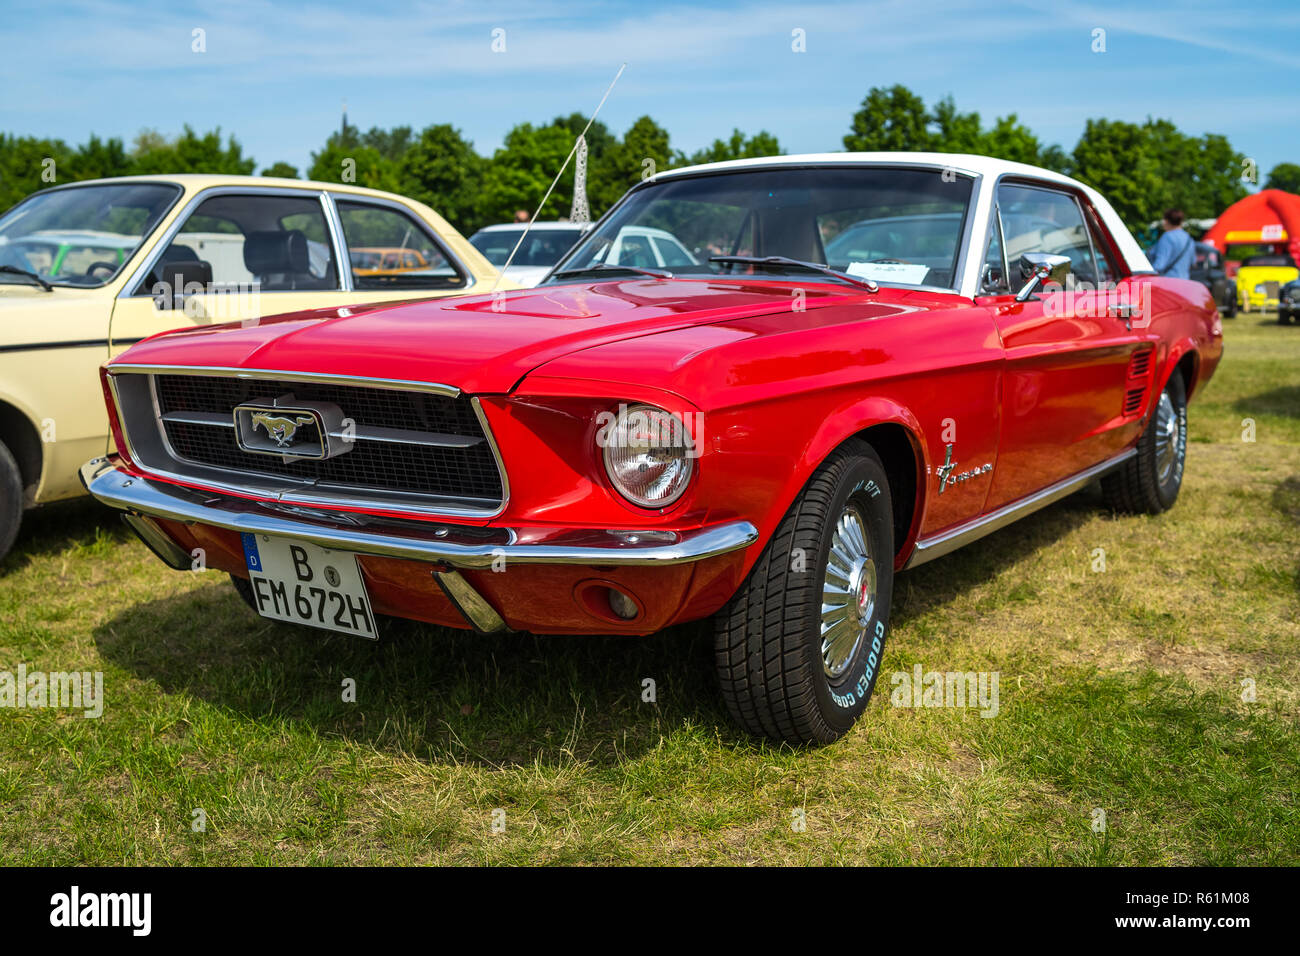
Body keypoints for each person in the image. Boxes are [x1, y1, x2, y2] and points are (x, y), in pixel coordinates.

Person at [1149, 208, 1194, 279]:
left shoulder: (1167, 237)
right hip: (1185, 282)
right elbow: (1192, 263)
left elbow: (1160, 264)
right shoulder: (1189, 239)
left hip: (1168, 282)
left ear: (1166, 221)